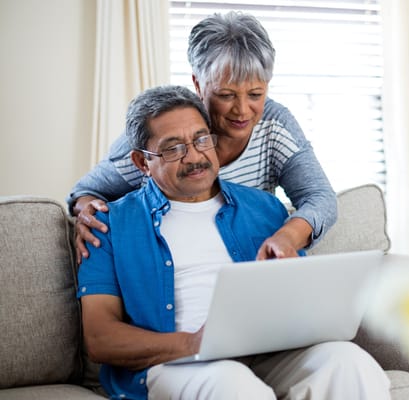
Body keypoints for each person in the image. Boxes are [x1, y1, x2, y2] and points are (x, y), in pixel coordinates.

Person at [77, 85, 390, 400]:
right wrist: (194, 343)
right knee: (233, 385)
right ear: (142, 162)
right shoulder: (108, 225)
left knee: (350, 363)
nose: (195, 157)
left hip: (270, 353)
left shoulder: (265, 208)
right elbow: (99, 338)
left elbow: (299, 295)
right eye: (173, 148)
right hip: (177, 363)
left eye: (201, 139)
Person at [68, 11, 336, 263]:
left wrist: (286, 237)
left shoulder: (275, 125)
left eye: (255, 94)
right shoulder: (162, 134)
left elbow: (320, 197)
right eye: (226, 95)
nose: (242, 111)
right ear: (198, 84)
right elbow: (85, 192)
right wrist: (88, 213)